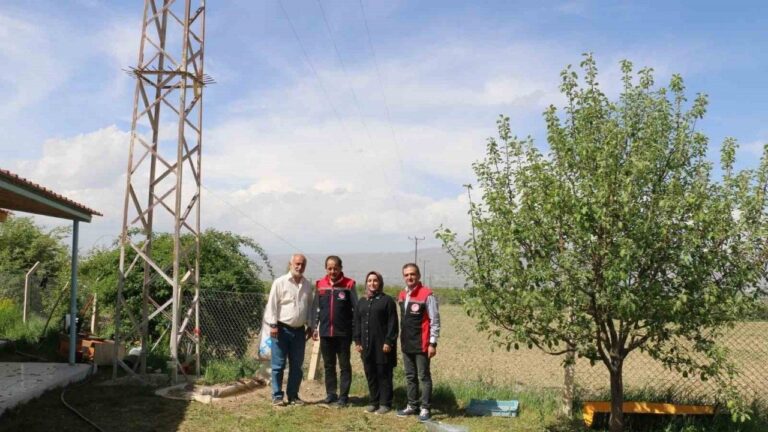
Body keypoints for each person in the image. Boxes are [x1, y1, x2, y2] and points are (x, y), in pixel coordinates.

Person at [263, 254, 315, 406]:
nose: (299, 267)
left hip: (299, 331)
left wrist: (311, 325)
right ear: (290, 264)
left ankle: (293, 396)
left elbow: (310, 307)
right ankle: (277, 396)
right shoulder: (280, 282)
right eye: (297, 264)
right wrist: (272, 325)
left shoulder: (307, 285)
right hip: (280, 329)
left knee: (297, 366)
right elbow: (272, 305)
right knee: (278, 365)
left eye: (302, 265)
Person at [396, 263, 440, 422]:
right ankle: (412, 406)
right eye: (406, 275)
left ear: (418, 275)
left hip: (422, 344)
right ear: (404, 277)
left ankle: (425, 408)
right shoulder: (402, 295)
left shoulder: (427, 295)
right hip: (406, 344)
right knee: (410, 376)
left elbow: (435, 321)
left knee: (423, 377)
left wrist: (433, 343)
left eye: (412, 274)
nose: (409, 277)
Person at [313, 255, 358, 408]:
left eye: (335, 268)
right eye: (330, 268)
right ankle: (331, 394)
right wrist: (315, 327)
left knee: (344, 366)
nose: (333, 271)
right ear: (326, 268)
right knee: (328, 365)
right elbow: (317, 309)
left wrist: (354, 331)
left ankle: (344, 397)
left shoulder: (349, 284)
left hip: (343, 334)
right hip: (326, 332)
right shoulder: (320, 285)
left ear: (340, 268)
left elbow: (355, 309)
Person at [353, 271, 398, 415]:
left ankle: (385, 403)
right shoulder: (362, 301)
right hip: (366, 345)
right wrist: (357, 341)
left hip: (382, 345)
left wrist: (388, 341)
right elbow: (357, 322)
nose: (372, 283)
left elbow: (393, 323)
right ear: (366, 283)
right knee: (370, 373)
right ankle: (374, 402)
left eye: (375, 280)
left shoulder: (387, 301)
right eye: (369, 280)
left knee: (383, 374)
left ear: (380, 282)